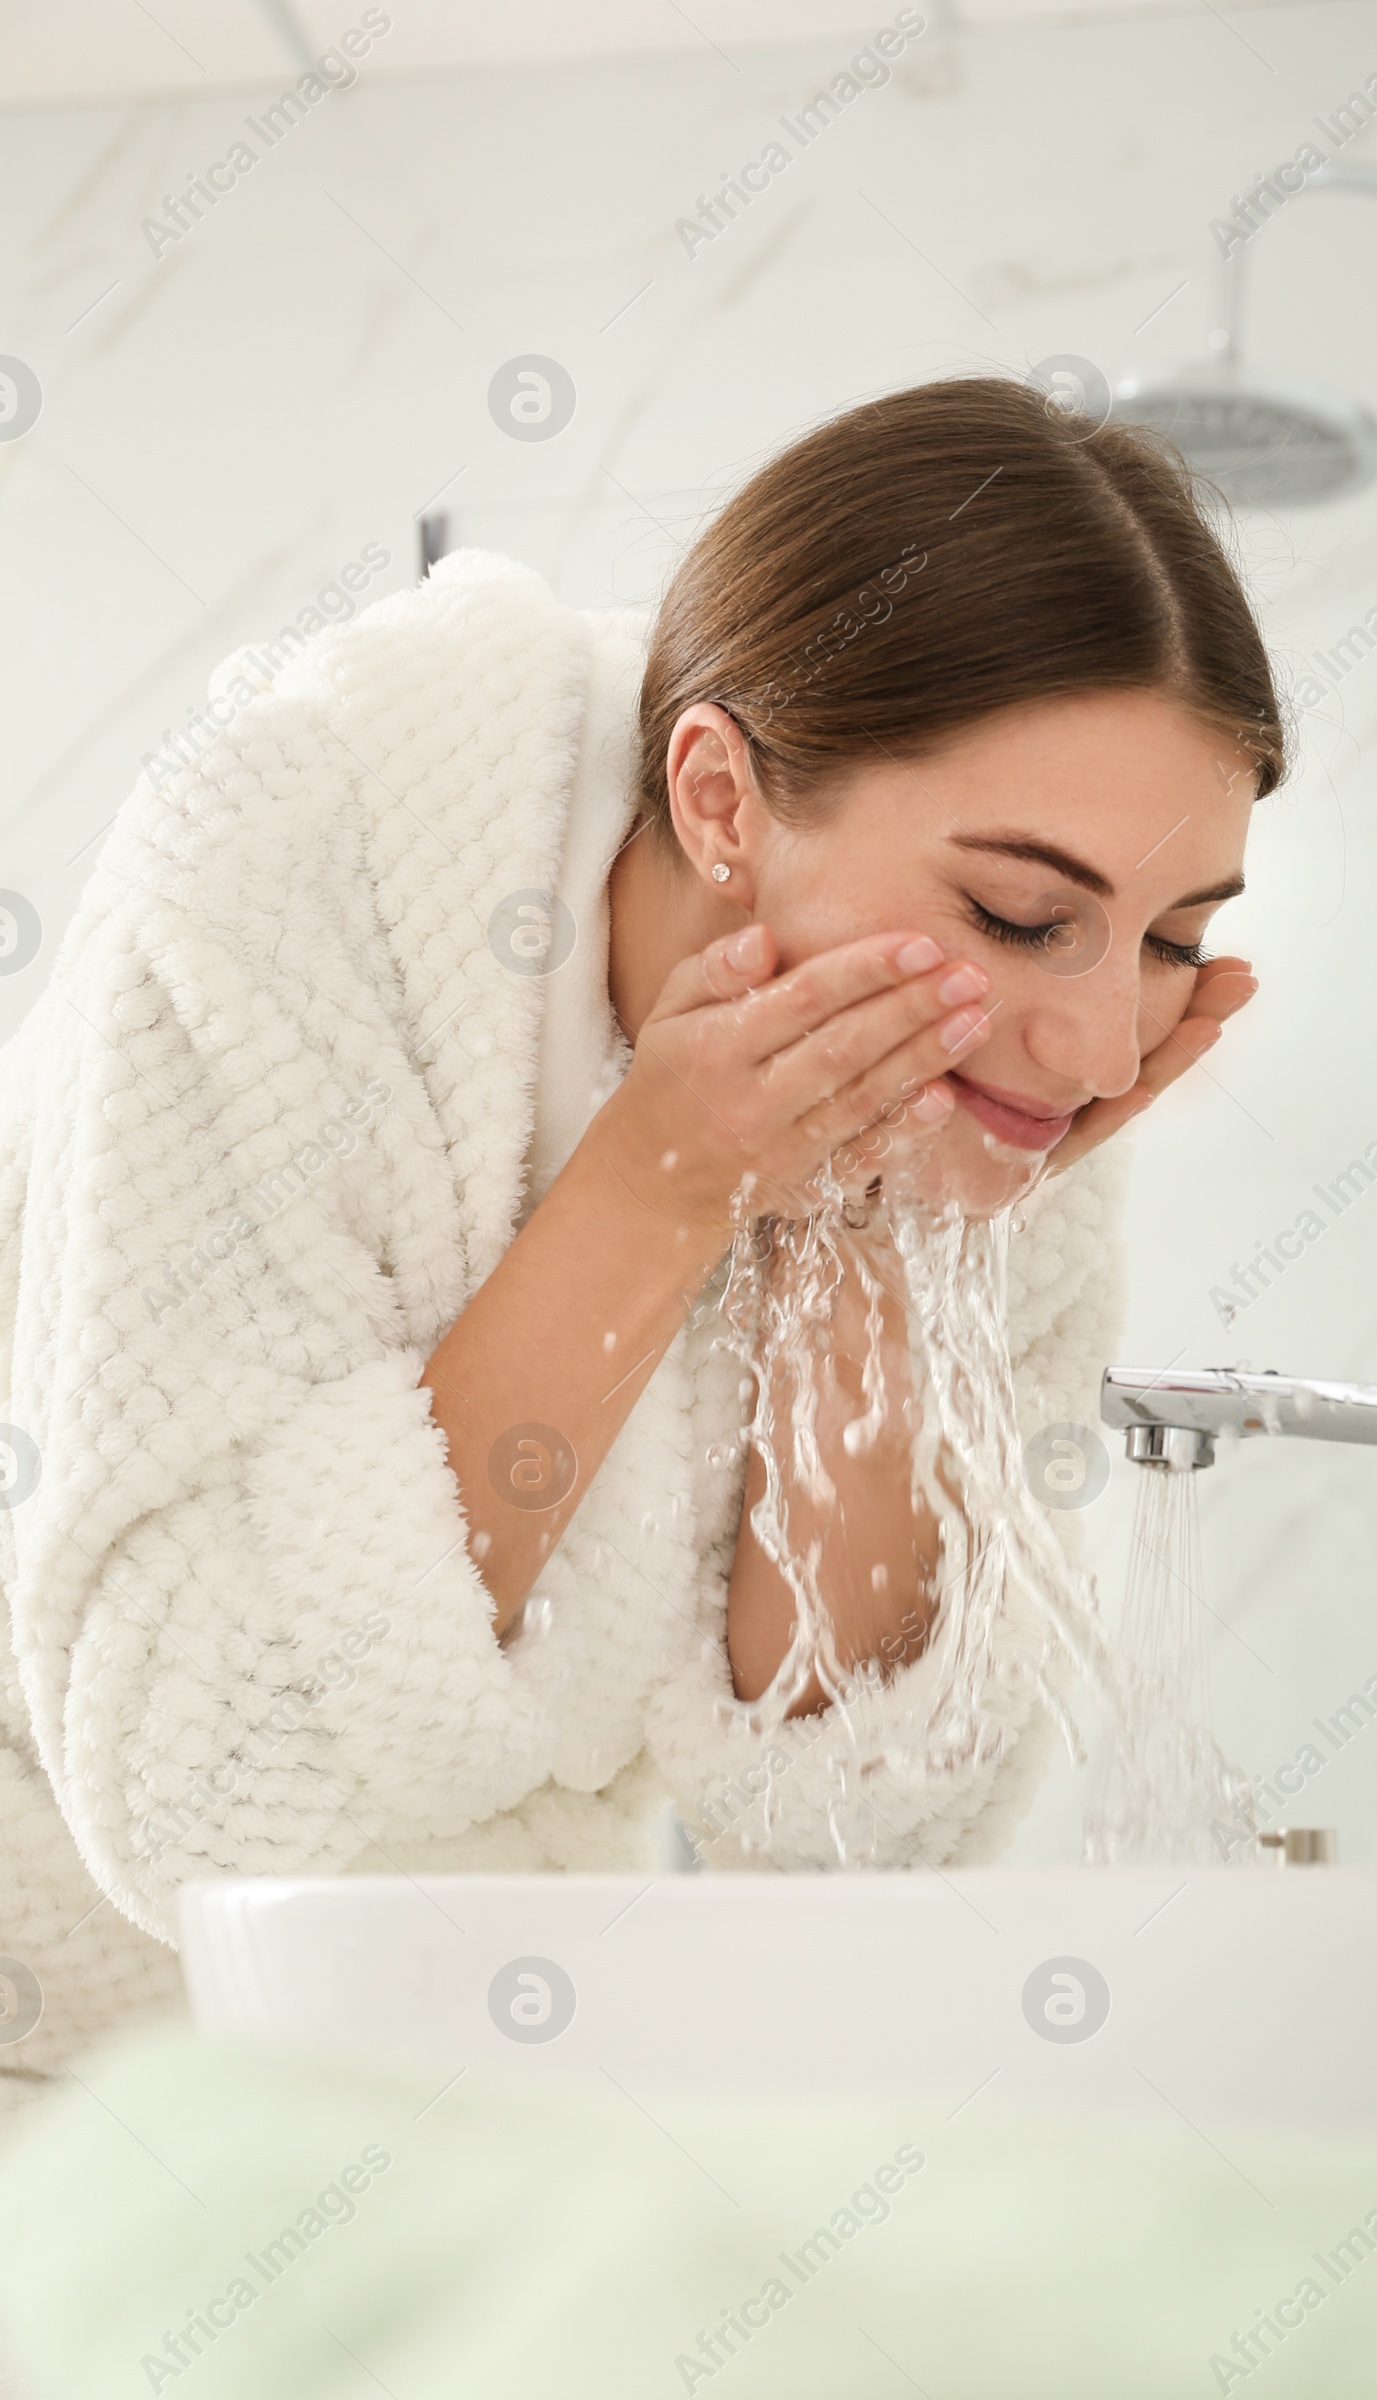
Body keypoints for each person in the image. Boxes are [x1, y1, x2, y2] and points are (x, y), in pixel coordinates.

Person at [0, 375, 1271, 2102]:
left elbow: (872, 1849)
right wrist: (659, 1184)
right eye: (1026, 915)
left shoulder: (982, 1069)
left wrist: (878, 1239)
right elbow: (213, 1788)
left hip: (431, 2074)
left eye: (1174, 938)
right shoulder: (295, 864)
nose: (1107, 1046)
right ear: (723, 800)